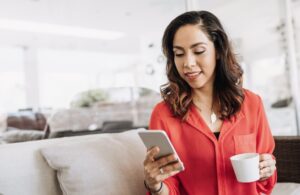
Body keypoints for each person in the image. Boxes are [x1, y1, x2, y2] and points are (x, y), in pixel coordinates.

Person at [143, 10, 277, 195]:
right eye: (179, 54)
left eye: (199, 51)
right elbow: (170, 187)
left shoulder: (252, 104)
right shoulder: (163, 114)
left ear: (219, 51)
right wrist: (155, 185)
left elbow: (264, 183)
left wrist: (267, 171)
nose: (188, 63)